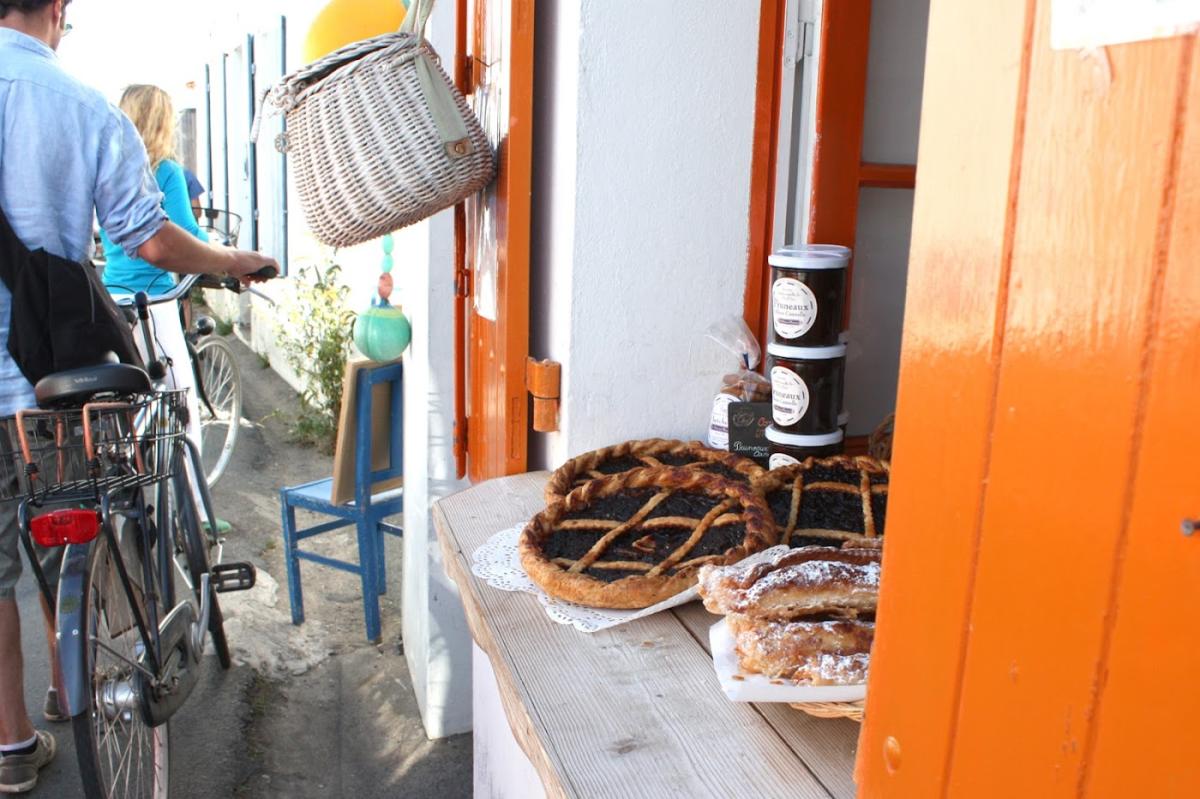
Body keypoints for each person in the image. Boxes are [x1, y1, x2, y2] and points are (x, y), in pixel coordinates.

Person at [0, 1, 278, 794]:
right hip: (49, 383)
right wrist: (231, 261)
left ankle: (11, 746)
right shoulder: (83, 106)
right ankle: (71, 688)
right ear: (57, 11)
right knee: (66, 540)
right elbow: (149, 238)